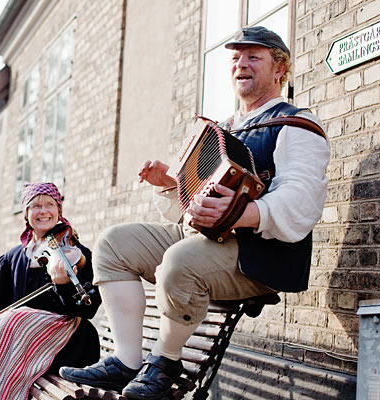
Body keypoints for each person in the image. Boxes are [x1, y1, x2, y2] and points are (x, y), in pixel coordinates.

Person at [59, 26, 330, 399]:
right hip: (204, 242)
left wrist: (240, 214)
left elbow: (301, 200)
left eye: (254, 57)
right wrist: (169, 182)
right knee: (114, 243)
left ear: (280, 68)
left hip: (260, 254)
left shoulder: (297, 125)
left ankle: (166, 363)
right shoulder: (224, 128)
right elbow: (190, 206)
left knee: (179, 260)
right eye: (235, 57)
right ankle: (126, 362)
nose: (241, 64)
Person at [0, 182, 101, 400]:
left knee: (15, 317)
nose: (43, 211)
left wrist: (64, 285)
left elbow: (88, 310)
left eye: (50, 205)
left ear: (59, 211)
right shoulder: (12, 258)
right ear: (26, 214)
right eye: (36, 206)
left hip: (66, 341)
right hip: (18, 338)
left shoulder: (75, 253)